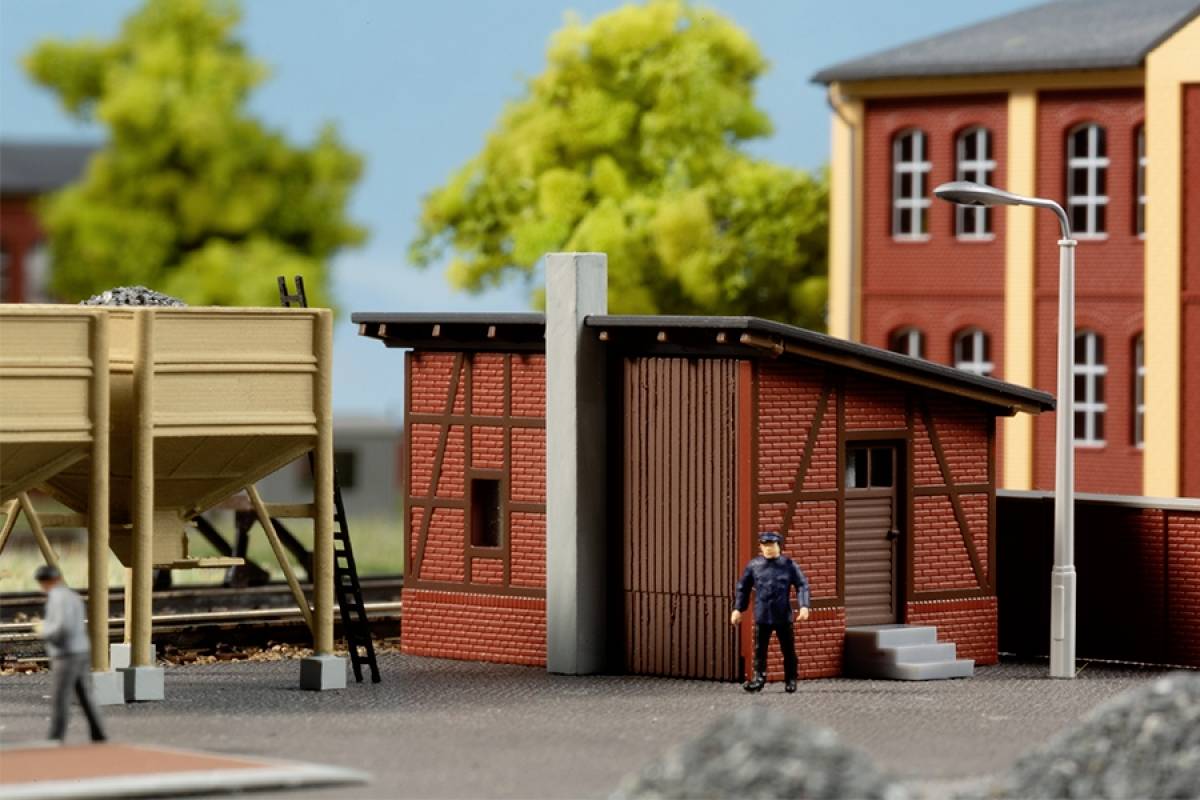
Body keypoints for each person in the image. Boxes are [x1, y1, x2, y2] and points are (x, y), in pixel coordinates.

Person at [33, 564, 107, 743]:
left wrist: (44, 631)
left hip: (66, 655)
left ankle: (55, 737)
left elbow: (61, 627)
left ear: (46, 582)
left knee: (60, 697)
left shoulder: (57, 598)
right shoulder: (72, 596)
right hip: (81, 650)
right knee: (86, 696)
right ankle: (98, 734)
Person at [730, 531, 810, 694]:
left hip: (783, 616)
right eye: (765, 546)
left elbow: (802, 585)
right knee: (760, 650)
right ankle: (759, 679)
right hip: (763, 615)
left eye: (771, 546)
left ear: (778, 546)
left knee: (788, 649)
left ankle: (791, 679)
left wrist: (804, 606)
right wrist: (738, 609)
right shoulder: (754, 565)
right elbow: (743, 588)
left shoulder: (789, 565)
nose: (768, 549)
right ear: (760, 547)